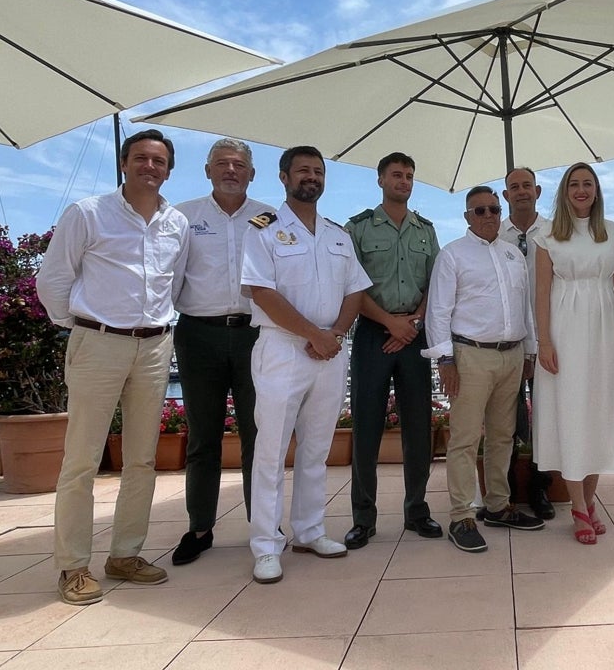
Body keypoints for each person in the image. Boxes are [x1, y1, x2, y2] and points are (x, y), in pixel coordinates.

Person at [36, 129, 190, 605]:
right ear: (125, 163)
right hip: (97, 343)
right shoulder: (87, 213)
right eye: (141, 158)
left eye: (159, 161)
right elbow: (54, 279)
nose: (150, 166)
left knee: (143, 459)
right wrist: (81, 324)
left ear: (169, 170)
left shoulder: (176, 223)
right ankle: (73, 566)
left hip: (153, 347)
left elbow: (176, 284)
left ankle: (125, 554)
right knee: (81, 461)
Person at [241, 146, 371, 583]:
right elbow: (261, 292)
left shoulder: (338, 234)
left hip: (330, 352)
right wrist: (312, 334)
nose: (311, 178)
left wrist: (333, 334)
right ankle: (265, 544)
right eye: (302, 171)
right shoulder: (262, 230)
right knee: (271, 451)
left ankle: (310, 530)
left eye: (318, 171)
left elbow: (355, 290)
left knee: (316, 449)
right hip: (282, 350)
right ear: (283, 177)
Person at [422, 186, 545, 553]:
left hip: (511, 356)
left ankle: (497, 506)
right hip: (470, 355)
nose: (489, 215)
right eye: (479, 211)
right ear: (467, 217)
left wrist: (529, 352)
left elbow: (525, 308)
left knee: (502, 436)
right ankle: (461, 515)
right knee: (464, 439)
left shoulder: (512, 254)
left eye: (493, 208)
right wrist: (445, 360)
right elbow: (438, 311)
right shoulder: (452, 255)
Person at [171, 138, 273, 566]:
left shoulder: (270, 218)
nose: (231, 170)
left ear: (252, 173)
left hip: (254, 334)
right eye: (222, 164)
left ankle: (265, 527)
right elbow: (170, 277)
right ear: (208, 170)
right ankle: (199, 527)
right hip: (199, 335)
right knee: (203, 436)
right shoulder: (183, 217)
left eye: (239, 165)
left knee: (259, 435)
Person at [533, 162, 614, 544]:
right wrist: (544, 341)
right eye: (574, 184)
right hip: (565, 329)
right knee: (572, 410)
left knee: (600, 411)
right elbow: (541, 292)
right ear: (564, 191)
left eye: (587, 184)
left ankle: (590, 500)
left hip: (606, 330)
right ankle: (577, 506)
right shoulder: (548, 235)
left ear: (596, 191)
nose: (581, 190)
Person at [344, 152, 441, 548]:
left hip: (414, 334)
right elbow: (351, 286)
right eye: (396, 175)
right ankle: (363, 518)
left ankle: (417, 510)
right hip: (373, 333)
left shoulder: (426, 230)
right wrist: (390, 322)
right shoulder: (359, 228)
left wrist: (413, 322)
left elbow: (437, 282)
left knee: (418, 428)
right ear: (380, 179)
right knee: (366, 428)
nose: (403, 181)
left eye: (409, 176)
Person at [499, 166, 556, 520]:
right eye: (513, 187)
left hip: (547, 337)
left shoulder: (554, 232)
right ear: (505, 195)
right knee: (504, 417)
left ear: (537, 191)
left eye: (526, 186)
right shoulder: (493, 232)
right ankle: (503, 489)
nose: (521, 191)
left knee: (545, 419)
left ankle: (540, 489)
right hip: (506, 341)